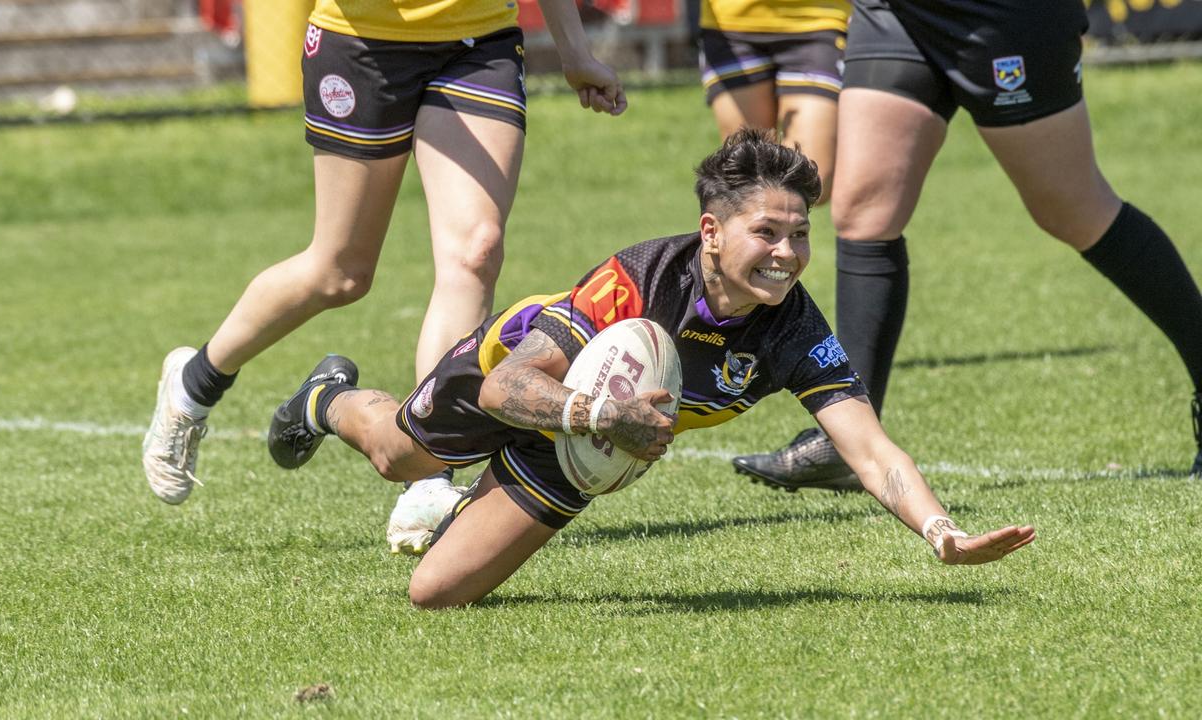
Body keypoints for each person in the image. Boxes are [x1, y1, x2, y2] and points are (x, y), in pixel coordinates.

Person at [264, 131, 1035, 608]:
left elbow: (869, 450)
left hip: (582, 443)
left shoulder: (794, 327)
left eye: (800, 236)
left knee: (435, 594)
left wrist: (941, 532)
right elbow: (507, 388)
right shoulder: (639, 280)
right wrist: (603, 415)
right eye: (767, 232)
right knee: (400, 456)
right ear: (712, 230)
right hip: (517, 374)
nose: (788, 254)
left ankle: (476, 507)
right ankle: (329, 396)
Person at [142, 0, 629, 505]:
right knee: (341, 272)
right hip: (363, 45)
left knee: (476, 251)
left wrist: (576, 53)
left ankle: (428, 476)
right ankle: (193, 382)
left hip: (480, 42)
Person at [732, 0, 1202, 491]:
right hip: (896, 13)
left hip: (1000, 15)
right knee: (864, 213)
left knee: (1074, 211)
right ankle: (850, 443)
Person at [697, 0, 851, 200]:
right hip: (729, 23)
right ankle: (769, 230)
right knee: (744, 177)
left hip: (820, 18)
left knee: (810, 178)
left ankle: (785, 228)